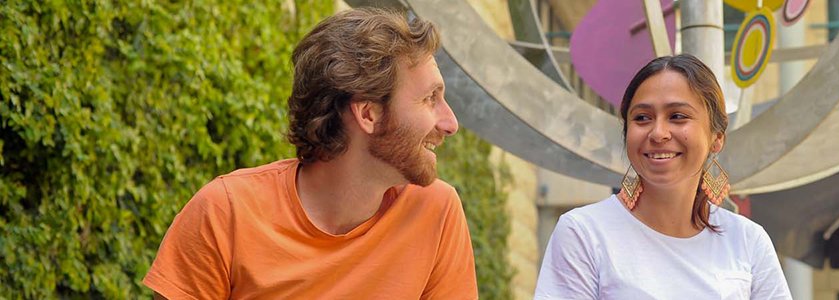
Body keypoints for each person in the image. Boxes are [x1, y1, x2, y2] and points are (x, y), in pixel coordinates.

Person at [143, 8, 478, 299]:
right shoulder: (224, 213)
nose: (451, 123)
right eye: (430, 98)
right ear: (368, 114)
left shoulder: (436, 212)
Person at [533, 54, 792, 299]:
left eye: (677, 116)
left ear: (717, 137)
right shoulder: (584, 233)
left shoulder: (747, 241)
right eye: (642, 118)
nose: (658, 133)